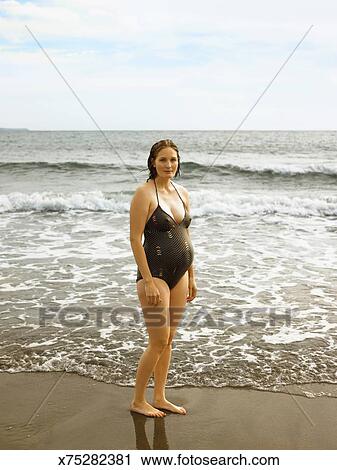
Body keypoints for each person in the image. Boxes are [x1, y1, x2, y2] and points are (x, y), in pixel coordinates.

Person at [129, 139, 197, 417]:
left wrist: (192, 276)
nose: (169, 165)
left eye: (173, 160)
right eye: (163, 160)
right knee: (157, 340)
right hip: (154, 274)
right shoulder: (144, 194)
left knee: (169, 340)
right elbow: (135, 239)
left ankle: (159, 397)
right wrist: (147, 280)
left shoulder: (182, 193)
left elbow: (187, 235)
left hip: (180, 274)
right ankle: (137, 400)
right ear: (153, 162)